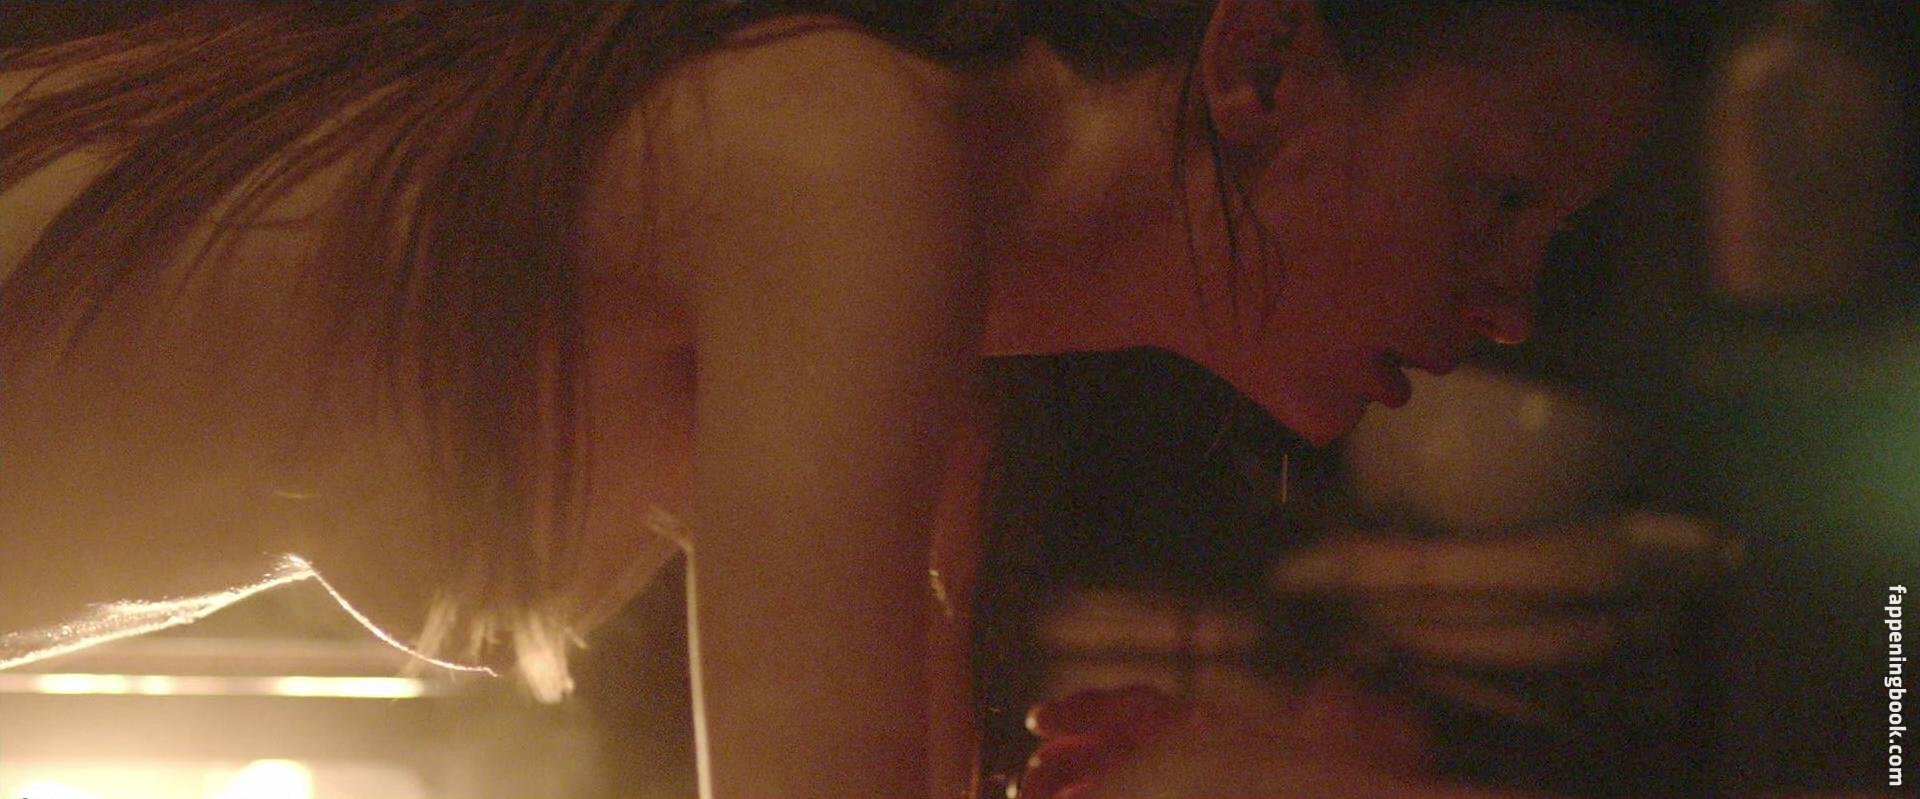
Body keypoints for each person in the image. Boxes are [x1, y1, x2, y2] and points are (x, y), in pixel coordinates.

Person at [0, 2, 1668, 797]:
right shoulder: (845, 160)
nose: (1512, 307)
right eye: (1502, 196)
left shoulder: (942, 340)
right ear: (1268, 68)